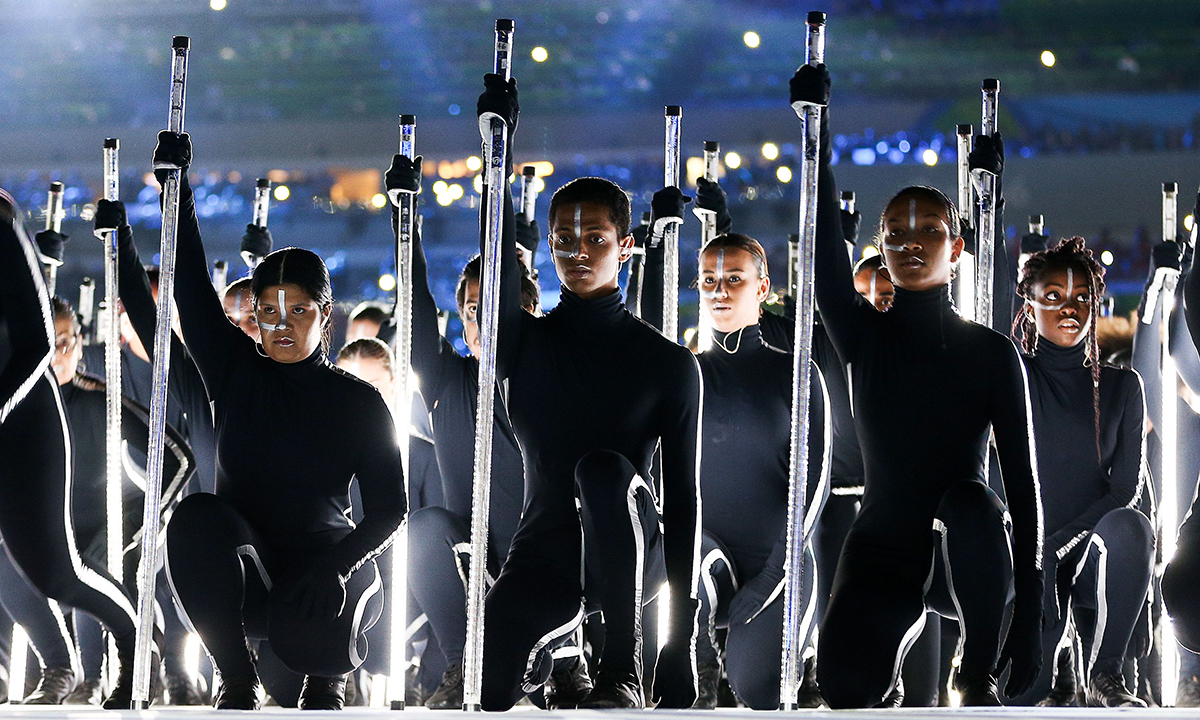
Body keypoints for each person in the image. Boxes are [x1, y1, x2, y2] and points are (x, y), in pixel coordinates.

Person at [791, 64, 1044, 708]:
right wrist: (813, 138)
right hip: (883, 545)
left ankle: (974, 666)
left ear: (957, 247)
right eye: (894, 233)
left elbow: (1022, 485)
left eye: (929, 230)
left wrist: (1029, 614)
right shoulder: (865, 337)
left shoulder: (991, 354)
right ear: (878, 246)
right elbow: (822, 262)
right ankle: (888, 662)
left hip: (971, 544)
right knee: (845, 688)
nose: (910, 242)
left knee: (969, 500)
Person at [153, 131, 405, 711]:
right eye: (268, 312)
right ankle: (237, 678)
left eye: (298, 311)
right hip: (252, 570)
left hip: (327, 574)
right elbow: (190, 291)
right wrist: (177, 188)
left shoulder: (359, 402)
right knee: (193, 516)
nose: (282, 325)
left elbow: (391, 508)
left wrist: (339, 567)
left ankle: (328, 679)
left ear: (325, 315)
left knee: (309, 664)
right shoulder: (236, 372)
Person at [473, 75, 702, 711]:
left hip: (633, 556)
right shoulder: (526, 343)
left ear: (627, 247)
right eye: (563, 241)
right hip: (544, 550)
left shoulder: (668, 364)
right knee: (488, 693)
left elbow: (683, 507)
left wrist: (676, 644)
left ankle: (618, 665)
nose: (578, 253)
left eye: (595, 239)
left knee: (600, 471)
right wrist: (496, 156)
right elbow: (495, 269)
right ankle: (551, 654)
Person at [381, 153, 554, 709]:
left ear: (529, 308)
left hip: (547, 568)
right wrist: (405, 222)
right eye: (473, 310)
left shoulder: (553, 376)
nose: (484, 322)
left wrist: (495, 180)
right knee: (424, 527)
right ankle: (465, 664)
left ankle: (568, 659)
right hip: (473, 568)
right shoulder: (446, 378)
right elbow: (416, 303)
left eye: (499, 306)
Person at [0, 190, 145, 709]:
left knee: (57, 573)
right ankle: (56, 666)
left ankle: (131, 648)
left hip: (21, 421)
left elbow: (37, 344)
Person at [690, 233, 831, 709]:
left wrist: (774, 573)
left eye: (734, 279)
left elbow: (815, 485)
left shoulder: (796, 372)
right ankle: (703, 661)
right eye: (709, 280)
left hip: (780, 558)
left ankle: (801, 657)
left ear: (762, 287)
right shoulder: (684, 373)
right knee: (689, 690)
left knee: (761, 693)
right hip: (707, 560)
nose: (720, 291)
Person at [1011, 237, 1153, 707]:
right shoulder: (1010, 378)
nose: (1069, 308)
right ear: (1029, 306)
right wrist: (1035, 555)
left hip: (1090, 550)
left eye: (1081, 298)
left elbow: (1124, 490)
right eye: (1052, 297)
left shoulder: (1123, 386)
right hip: (1023, 558)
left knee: (1134, 526)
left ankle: (1105, 673)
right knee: (1023, 698)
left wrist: (1059, 546)